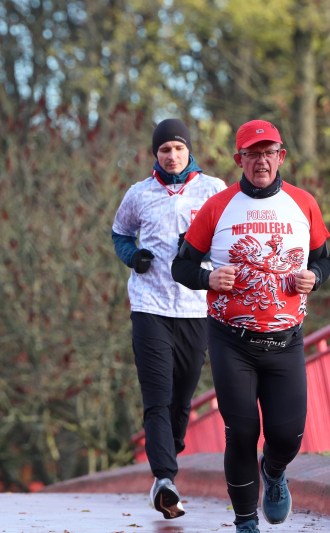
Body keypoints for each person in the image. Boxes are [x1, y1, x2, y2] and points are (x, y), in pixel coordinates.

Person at [171, 120, 330, 533]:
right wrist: (208, 278)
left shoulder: (303, 203)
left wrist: (314, 275)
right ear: (238, 159)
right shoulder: (218, 206)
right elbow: (181, 265)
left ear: (281, 157)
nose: (261, 161)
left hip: (285, 340)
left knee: (288, 435)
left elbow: (323, 259)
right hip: (231, 341)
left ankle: (274, 472)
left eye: (268, 152)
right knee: (240, 431)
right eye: (252, 154)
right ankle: (245, 522)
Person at [111, 118, 226, 519]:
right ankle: (164, 479)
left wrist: (202, 254)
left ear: (188, 150)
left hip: (196, 307)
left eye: (178, 148)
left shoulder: (214, 190)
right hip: (149, 306)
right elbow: (120, 233)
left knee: (182, 399)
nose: (172, 156)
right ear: (155, 154)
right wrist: (133, 256)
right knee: (157, 396)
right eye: (164, 150)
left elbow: (228, 240)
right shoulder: (139, 194)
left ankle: (168, 452)